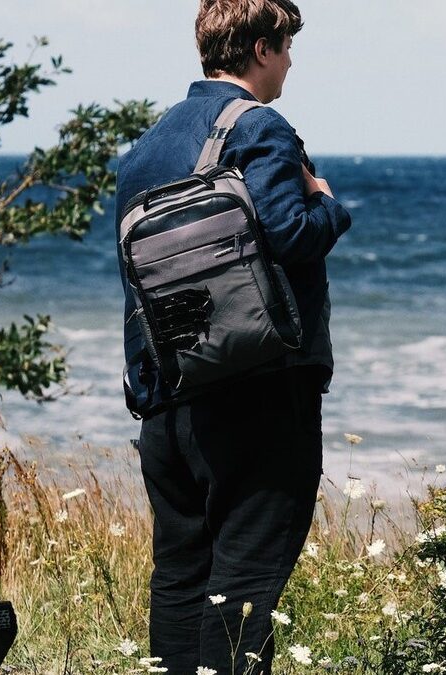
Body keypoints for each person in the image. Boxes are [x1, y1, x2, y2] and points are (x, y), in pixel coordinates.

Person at [114, 1, 350, 672]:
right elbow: (292, 234)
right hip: (260, 399)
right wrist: (328, 204)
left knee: (181, 583)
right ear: (261, 48)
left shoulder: (148, 146)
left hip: (168, 401)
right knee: (245, 588)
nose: (291, 61)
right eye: (286, 46)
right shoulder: (260, 128)